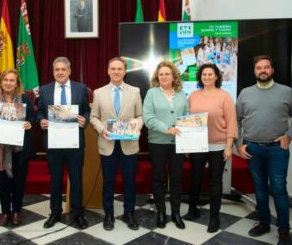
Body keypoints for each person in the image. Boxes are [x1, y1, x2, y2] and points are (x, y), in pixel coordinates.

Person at [236, 55, 292, 245]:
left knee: (278, 189)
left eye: (266, 67)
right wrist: (239, 143)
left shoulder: (286, 92)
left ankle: (284, 230)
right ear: (254, 71)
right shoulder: (245, 93)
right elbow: (236, 120)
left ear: (272, 70)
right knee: (259, 189)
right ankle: (264, 222)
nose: (263, 71)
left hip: (277, 149)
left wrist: (289, 135)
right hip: (252, 148)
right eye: (259, 68)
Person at [90, 57, 143, 231]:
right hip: (108, 143)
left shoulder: (135, 91)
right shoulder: (99, 92)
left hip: (129, 145)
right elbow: (93, 117)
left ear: (125, 71)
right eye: (113, 69)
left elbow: (140, 116)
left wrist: (136, 127)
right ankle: (109, 214)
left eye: (119, 69)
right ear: (108, 71)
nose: (116, 72)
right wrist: (101, 130)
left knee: (129, 181)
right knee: (108, 182)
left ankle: (129, 213)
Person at [37, 57, 90, 229]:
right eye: (56, 69)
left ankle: (78, 213)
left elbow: (87, 111)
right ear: (53, 72)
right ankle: (55, 212)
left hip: (75, 142)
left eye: (63, 69)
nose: (60, 72)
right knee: (55, 179)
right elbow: (39, 112)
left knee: (76, 179)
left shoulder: (80, 88)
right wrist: (41, 121)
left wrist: (85, 120)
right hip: (53, 142)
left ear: (69, 71)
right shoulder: (44, 90)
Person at [184, 63, 237, 233]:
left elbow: (231, 122)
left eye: (210, 74)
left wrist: (228, 147)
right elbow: (187, 120)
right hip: (197, 145)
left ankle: (215, 217)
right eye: (204, 74)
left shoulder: (225, 96)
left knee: (215, 181)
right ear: (200, 77)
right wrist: (187, 145)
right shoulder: (193, 95)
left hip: (218, 145)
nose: (207, 77)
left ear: (216, 77)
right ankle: (193, 210)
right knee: (195, 178)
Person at [0, 69, 36, 227]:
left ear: (16, 83)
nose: (8, 83)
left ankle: (17, 211)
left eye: (12, 80)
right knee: (2, 182)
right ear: (0, 82)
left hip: (19, 147)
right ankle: (5, 211)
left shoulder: (24, 98)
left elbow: (32, 116)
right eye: (5, 80)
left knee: (19, 182)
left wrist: (29, 123)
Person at [143, 61, 189, 229]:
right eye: (160, 74)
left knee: (176, 179)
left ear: (173, 76)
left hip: (178, 143)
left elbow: (186, 115)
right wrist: (166, 129)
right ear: (157, 76)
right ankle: (161, 212)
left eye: (167, 73)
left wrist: (186, 132)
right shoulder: (151, 93)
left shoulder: (181, 94)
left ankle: (176, 213)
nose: (163, 76)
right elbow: (148, 118)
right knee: (158, 178)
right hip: (158, 142)